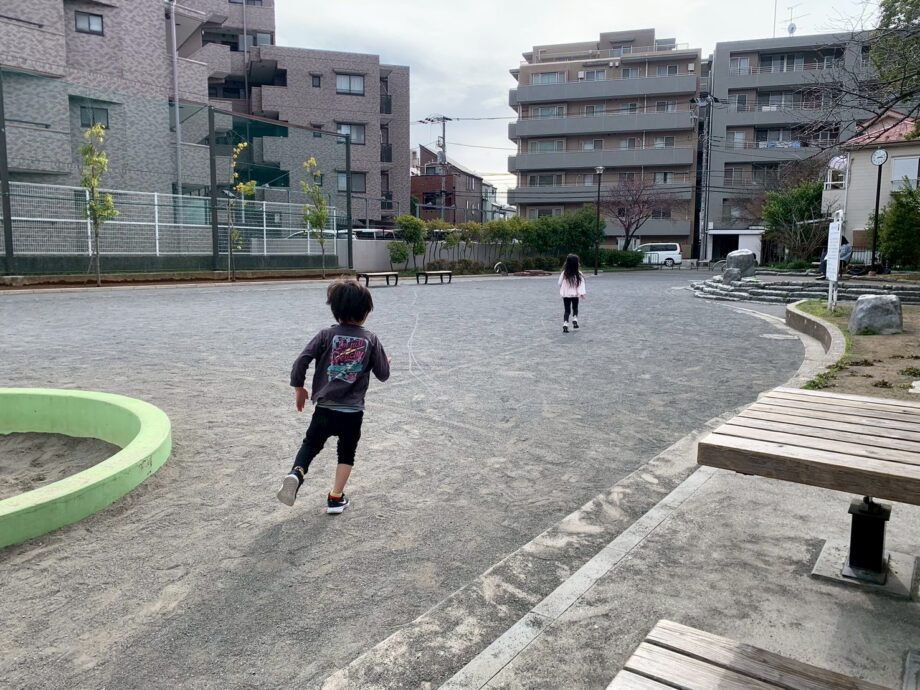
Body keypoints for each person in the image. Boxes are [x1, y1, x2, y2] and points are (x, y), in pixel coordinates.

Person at [277, 279, 391, 514]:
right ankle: (335, 497)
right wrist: (384, 362)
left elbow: (301, 360)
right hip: (352, 412)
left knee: (310, 444)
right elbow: (383, 375)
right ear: (366, 311)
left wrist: (299, 388)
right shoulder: (370, 339)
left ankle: (296, 472)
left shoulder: (325, 335)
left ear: (335, 309)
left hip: (325, 408)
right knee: (346, 453)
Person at [558, 253, 587, 333]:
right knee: (575, 307)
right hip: (575, 295)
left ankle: (565, 324)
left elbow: (559, 283)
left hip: (566, 295)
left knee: (567, 310)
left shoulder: (564, 273)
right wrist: (582, 293)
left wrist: (563, 288)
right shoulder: (579, 274)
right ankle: (575, 319)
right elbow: (582, 284)